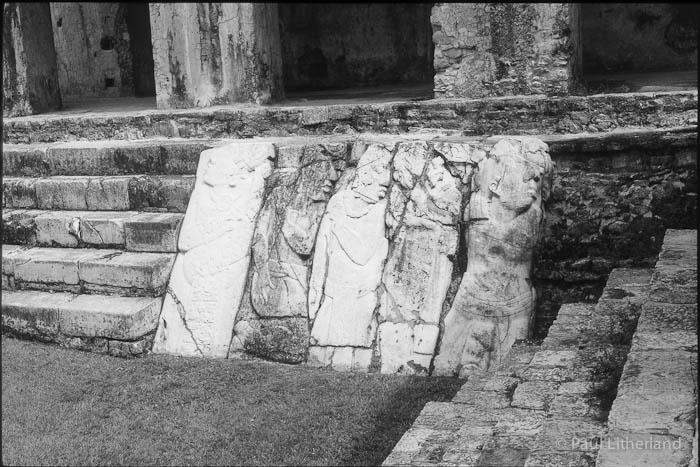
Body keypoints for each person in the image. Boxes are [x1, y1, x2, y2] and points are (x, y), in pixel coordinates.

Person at [434, 138, 553, 376]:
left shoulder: (531, 217)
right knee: (452, 358)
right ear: (496, 185)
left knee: (508, 364)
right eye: (525, 176)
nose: (533, 182)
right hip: (473, 295)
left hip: (515, 298)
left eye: (537, 180)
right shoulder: (479, 211)